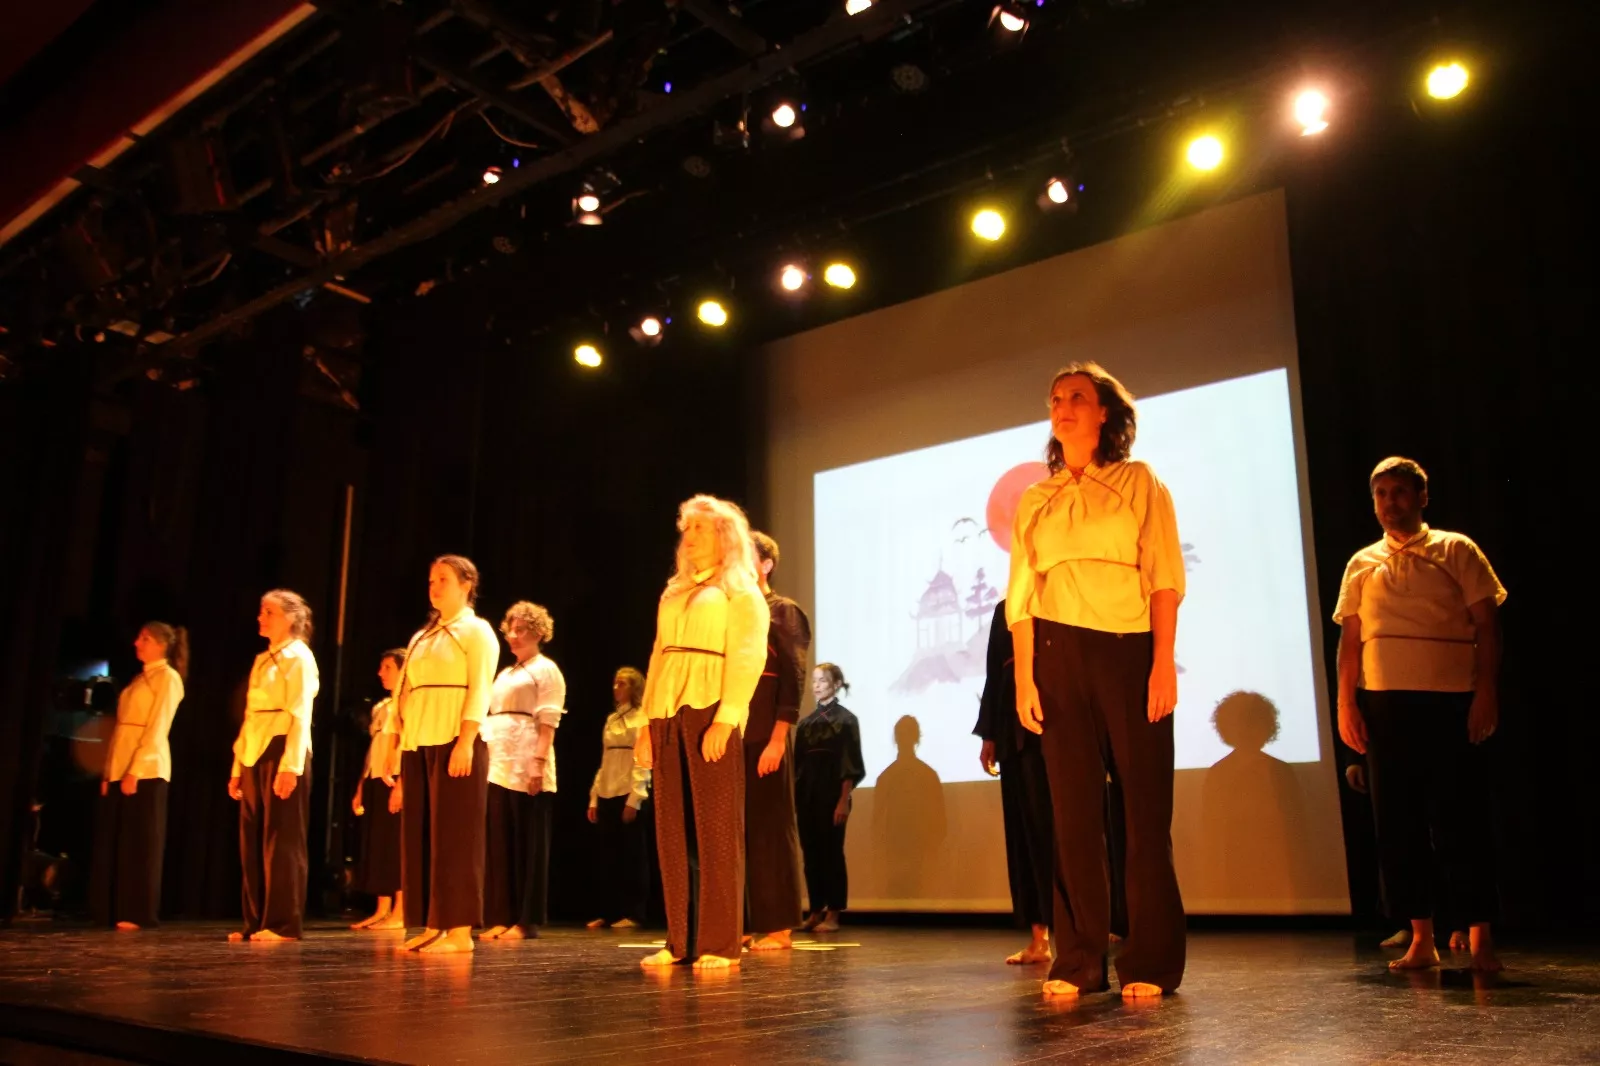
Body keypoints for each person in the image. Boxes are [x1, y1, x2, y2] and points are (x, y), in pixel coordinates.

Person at [1006, 361, 1186, 999]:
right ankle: (1079, 960)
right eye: (1055, 398)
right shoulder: (1037, 496)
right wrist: (1025, 679)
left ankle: (1151, 963)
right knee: (1073, 814)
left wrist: (1163, 661)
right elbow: (1021, 599)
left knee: (1143, 813)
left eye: (1077, 397)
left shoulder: (1138, 481)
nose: (1063, 406)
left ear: (1105, 411)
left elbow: (1164, 576)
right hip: (1056, 652)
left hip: (1128, 647)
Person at [1334, 456, 1506, 973]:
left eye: (1400, 492)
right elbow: (1350, 641)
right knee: (1398, 825)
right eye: (1381, 494)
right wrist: (1346, 704)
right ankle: (1420, 937)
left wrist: (1485, 693)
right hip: (1386, 704)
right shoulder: (1362, 562)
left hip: (1451, 700)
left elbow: (1488, 625)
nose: (1390, 502)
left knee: (1461, 819)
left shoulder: (1455, 548)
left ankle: (1480, 938)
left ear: (1421, 497)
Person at [633, 494, 769, 971]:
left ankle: (718, 943)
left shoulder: (742, 592)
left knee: (715, 830)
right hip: (667, 709)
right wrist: (647, 723)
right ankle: (678, 940)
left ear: (725, 536)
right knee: (672, 830)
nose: (689, 538)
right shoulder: (673, 591)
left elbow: (749, 656)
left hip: (711, 706)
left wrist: (727, 717)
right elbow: (657, 654)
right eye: (686, 529)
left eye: (701, 530)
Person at [381, 554, 498, 954]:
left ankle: (460, 930)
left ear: (467, 584)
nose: (434, 587)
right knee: (423, 835)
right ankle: (433, 923)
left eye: (443, 579)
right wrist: (395, 745)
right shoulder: (422, 637)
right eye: (431, 580)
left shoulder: (476, 631)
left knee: (456, 837)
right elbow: (402, 694)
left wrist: (466, 740)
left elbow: (481, 688)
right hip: (419, 741)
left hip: (455, 740)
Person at [229, 590, 319, 942]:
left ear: (289, 618)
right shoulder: (262, 660)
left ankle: (282, 923)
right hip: (254, 749)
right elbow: (250, 716)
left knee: (282, 841)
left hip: (283, 747)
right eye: (261, 611)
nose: (260, 617)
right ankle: (255, 920)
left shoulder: (300, 657)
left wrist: (291, 765)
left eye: (269, 612)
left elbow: (301, 713)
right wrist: (238, 765)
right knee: (251, 839)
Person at [90, 621, 186, 930]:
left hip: (147, 769)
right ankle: (112, 908)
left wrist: (135, 769)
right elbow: (121, 728)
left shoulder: (168, 678)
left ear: (161, 644)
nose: (137, 643)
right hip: (122, 764)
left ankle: (137, 910)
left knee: (141, 843)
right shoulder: (138, 679)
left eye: (144, 638)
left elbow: (158, 727)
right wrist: (110, 770)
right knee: (118, 839)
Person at [481, 601, 567, 941]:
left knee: (528, 843)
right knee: (500, 840)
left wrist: (538, 762)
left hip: (527, 757)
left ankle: (526, 919)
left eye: (520, 630)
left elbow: (548, 720)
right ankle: (501, 915)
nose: (512, 636)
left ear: (538, 633)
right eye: (510, 629)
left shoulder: (546, 669)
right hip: (498, 760)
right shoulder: (506, 673)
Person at [743, 531, 812, 951]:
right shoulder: (737, 615)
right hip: (736, 733)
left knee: (772, 827)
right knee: (743, 831)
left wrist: (777, 737)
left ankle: (780, 925)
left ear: (767, 564)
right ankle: (746, 921)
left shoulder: (782, 611)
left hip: (768, 732)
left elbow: (794, 677)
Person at [974, 602, 1051, 964]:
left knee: (1065, 834)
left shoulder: (1063, 595)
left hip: (1059, 720)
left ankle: (1083, 933)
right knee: (1024, 833)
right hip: (1012, 727)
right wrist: (989, 735)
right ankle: (1039, 937)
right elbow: (993, 671)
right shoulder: (1006, 608)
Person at [794, 663, 864, 933]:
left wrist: (843, 799)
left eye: (824, 680)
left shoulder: (846, 720)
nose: (818, 684)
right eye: (815, 680)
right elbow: (798, 766)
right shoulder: (805, 724)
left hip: (833, 793)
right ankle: (815, 910)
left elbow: (850, 763)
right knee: (811, 854)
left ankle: (833, 913)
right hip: (807, 795)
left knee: (832, 852)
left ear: (836, 684)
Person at [586, 667, 651, 930]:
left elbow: (644, 761)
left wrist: (634, 798)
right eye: (615, 683)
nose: (616, 688)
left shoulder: (641, 720)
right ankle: (609, 911)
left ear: (634, 688)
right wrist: (594, 797)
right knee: (609, 855)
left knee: (632, 856)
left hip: (628, 789)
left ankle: (633, 912)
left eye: (622, 684)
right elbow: (604, 759)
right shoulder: (612, 719)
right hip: (607, 789)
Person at [351, 648, 406, 930]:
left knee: (397, 845)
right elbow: (373, 750)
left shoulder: (409, 702)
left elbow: (409, 744)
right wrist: (361, 785)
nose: (380, 673)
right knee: (378, 846)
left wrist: (403, 781)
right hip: (376, 778)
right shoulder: (382, 707)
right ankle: (382, 909)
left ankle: (400, 911)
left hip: (395, 776)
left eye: (387, 667)